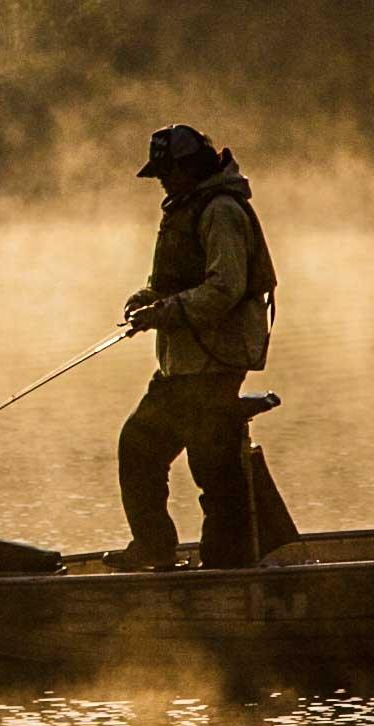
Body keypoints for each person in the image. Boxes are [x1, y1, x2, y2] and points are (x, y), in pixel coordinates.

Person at [105, 124, 277, 571]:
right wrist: (148, 299)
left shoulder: (221, 211)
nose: (161, 183)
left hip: (214, 365)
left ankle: (227, 570)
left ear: (188, 167)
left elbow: (225, 287)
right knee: (138, 447)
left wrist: (164, 313)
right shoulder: (187, 207)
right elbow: (175, 283)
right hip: (184, 367)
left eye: (165, 174)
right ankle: (155, 547)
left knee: (213, 469)